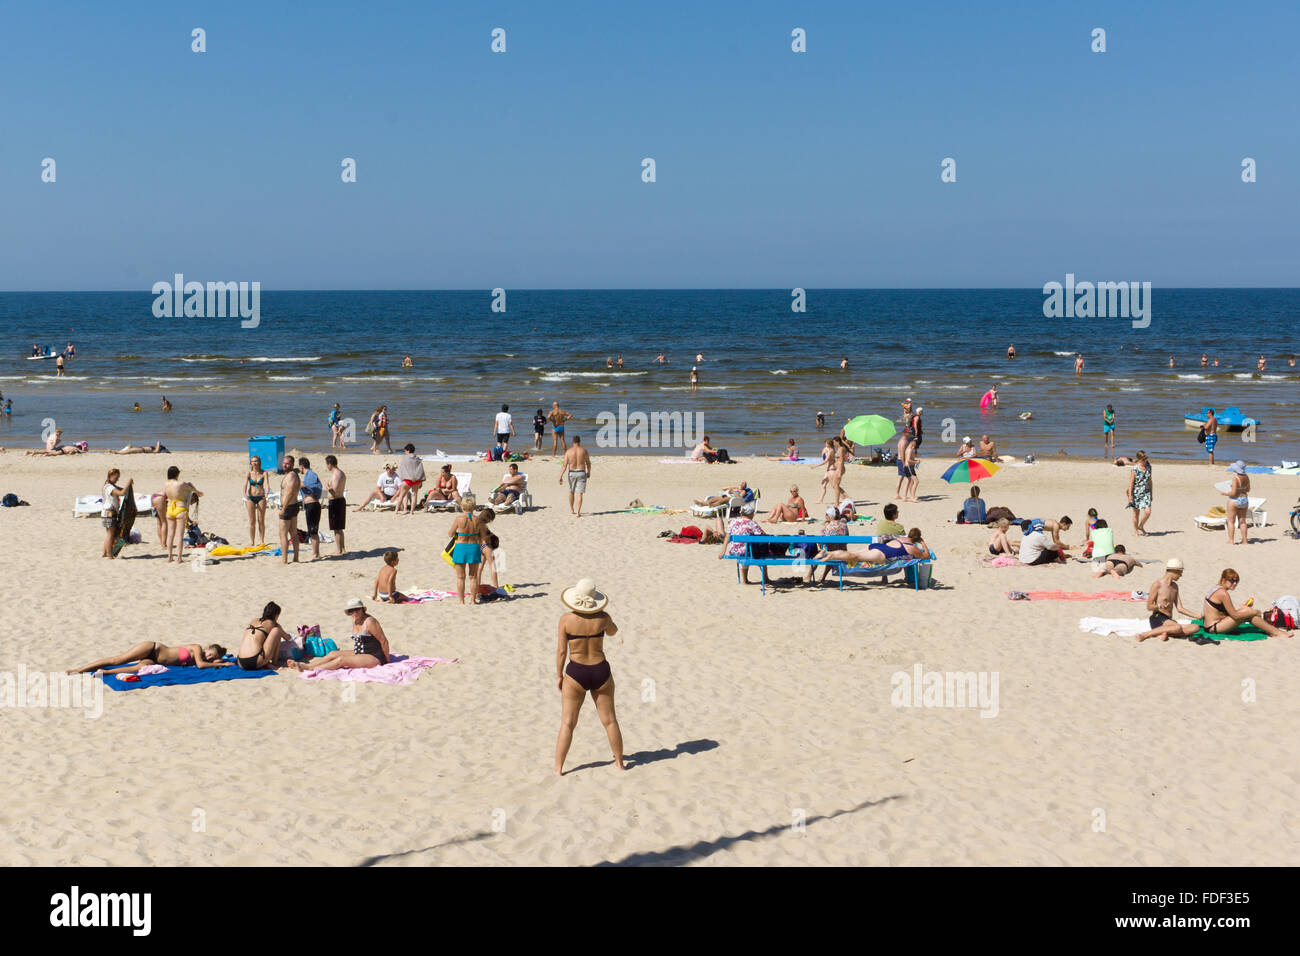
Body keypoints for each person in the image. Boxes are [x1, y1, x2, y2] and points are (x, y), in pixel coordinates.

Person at [554, 579, 624, 774]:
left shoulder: (566, 620)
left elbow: (561, 651)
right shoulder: (603, 618)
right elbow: (614, 632)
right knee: (610, 720)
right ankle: (619, 762)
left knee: (568, 722)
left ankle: (559, 768)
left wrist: (559, 675)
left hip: (576, 672)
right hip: (600, 670)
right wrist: (605, 619)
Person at [289, 599, 390, 671]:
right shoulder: (355, 620)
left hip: (374, 656)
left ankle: (309, 668)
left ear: (363, 609)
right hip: (360, 652)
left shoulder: (370, 622)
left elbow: (383, 641)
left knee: (341, 660)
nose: (354, 613)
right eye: (351, 611)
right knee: (333, 653)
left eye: (357, 609)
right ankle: (307, 665)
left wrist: (387, 661)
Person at [1200, 568, 1286, 639]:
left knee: (1245, 609)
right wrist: (1255, 612)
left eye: (1237, 581)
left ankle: (1273, 631)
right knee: (1249, 614)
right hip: (1214, 627)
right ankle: (1275, 632)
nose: (1234, 583)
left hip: (1211, 624)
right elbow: (1235, 616)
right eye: (1232, 580)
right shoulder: (1223, 593)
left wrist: (1244, 608)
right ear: (1223, 579)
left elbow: (1224, 612)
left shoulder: (1216, 588)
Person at [68, 641, 229, 675]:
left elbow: (211, 662)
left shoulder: (203, 659)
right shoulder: (197, 648)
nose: (208, 656)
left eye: (210, 656)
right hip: (153, 648)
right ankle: (79, 669)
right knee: (117, 659)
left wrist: (218, 661)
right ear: (207, 648)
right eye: (210, 653)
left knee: (139, 669)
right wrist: (225, 665)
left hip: (155, 660)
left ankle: (104, 672)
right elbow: (201, 665)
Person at [1135, 559, 1199, 642]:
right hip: (1157, 618)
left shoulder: (1175, 586)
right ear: (1175, 571)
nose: (1181, 575)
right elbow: (1149, 606)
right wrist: (1158, 606)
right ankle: (1144, 635)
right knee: (1177, 627)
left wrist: (1197, 615)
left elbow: (1180, 608)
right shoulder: (1157, 585)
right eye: (1180, 572)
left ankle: (1164, 633)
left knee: (1195, 627)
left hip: (1168, 620)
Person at [815, 528, 929, 566]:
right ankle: (830, 555)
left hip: (878, 546)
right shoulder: (912, 547)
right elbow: (925, 556)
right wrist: (923, 543)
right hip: (882, 554)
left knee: (853, 553)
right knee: (854, 556)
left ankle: (826, 553)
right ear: (916, 539)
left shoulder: (901, 538)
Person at [448, 496, 484, 604]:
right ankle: (473, 600)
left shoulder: (459, 519)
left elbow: (450, 533)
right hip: (473, 547)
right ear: (473, 506)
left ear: (463, 506)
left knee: (460, 577)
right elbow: (482, 536)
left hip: (461, 547)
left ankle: (461, 601)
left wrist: (458, 533)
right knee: (473, 576)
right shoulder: (478, 519)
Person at [234, 602, 291, 670]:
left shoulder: (254, 620)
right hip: (254, 660)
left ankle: (267, 663)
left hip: (240, 662)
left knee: (260, 640)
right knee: (277, 631)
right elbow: (287, 638)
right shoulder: (273, 624)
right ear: (276, 615)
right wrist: (289, 635)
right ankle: (274, 663)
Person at [718, 512, 770, 586]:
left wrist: (723, 551)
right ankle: (766, 578)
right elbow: (762, 536)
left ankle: (745, 580)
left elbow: (727, 537)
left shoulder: (732, 521)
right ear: (750, 514)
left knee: (745, 555)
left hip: (734, 551)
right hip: (748, 551)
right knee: (755, 553)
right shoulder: (752, 522)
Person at [163, 467, 199, 564]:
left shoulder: (166, 484)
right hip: (180, 508)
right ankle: (179, 558)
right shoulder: (181, 483)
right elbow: (192, 489)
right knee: (179, 535)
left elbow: (164, 495)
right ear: (177, 474)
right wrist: (199, 493)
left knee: (170, 535)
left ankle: (170, 557)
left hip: (170, 509)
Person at [1221, 460, 1252, 545]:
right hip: (1244, 499)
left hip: (1235, 500)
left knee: (1231, 521)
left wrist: (1225, 493)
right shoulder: (1246, 477)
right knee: (1243, 521)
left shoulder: (1236, 478)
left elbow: (1233, 493)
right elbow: (1248, 489)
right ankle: (1245, 540)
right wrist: (1241, 489)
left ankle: (1231, 540)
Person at [560, 435, 591, 517]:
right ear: (579, 442)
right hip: (581, 472)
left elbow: (564, 465)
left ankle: (572, 509)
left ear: (573, 442)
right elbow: (588, 463)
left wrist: (560, 476)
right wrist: (589, 472)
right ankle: (578, 512)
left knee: (571, 492)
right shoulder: (584, 450)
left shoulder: (568, 452)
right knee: (579, 493)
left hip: (572, 473)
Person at [299, 457, 324, 559]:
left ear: (301, 466)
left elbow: (312, 487)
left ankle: (316, 553)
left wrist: (299, 483)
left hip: (313, 504)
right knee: (312, 530)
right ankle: (315, 553)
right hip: (310, 504)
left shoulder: (311, 474)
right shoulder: (308, 475)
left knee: (313, 531)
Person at [278, 455, 301, 564]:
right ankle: (295, 558)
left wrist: (283, 508)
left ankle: (284, 560)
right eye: (283, 463)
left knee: (283, 534)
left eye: (287, 463)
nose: (284, 465)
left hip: (288, 507)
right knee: (293, 533)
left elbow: (290, 492)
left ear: (292, 464)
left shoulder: (291, 476)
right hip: (293, 506)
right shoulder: (291, 475)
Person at [244, 455, 269, 547]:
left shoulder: (264, 473)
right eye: (253, 461)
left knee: (261, 520)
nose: (254, 463)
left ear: (259, 462)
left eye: (256, 461)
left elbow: (266, 484)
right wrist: (244, 494)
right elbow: (244, 485)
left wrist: (266, 493)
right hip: (250, 498)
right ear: (250, 463)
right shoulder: (249, 473)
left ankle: (262, 540)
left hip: (261, 497)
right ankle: (252, 541)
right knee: (252, 521)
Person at [1126, 450, 1152, 535]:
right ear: (1139, 459)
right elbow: (1131, 483)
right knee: (1136, 514)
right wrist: (1130, 496)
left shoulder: (1148, 466)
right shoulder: (1135, 469)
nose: (1145, 460)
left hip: (1146, 492)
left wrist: (1151, 493)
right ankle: (1135, 530)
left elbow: (1150, 480)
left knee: (1148, 512)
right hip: (1136, 493)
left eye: (1146, 458)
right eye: (1144, 459)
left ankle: (1141, 526)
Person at [100, 468, 126, 559]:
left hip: (105, 513)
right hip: (110, 513)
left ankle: (104, 553)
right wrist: (129, 483)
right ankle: (109, 555)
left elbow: (121, 489)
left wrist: (127, 488)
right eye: (116, 477)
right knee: (111, 535)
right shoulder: (110, 487)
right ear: (110, 476)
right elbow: (121, 493)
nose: (117, 479)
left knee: (108, 534)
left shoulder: (107, 485)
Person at [324, 455, 346, 555]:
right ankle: (343, 548)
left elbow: (335, 492)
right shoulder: (340, 473)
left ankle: (339, 550)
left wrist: (327, 487)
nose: (327, 467)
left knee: (336, 528)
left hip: (336, 502)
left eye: (327, 464)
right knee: (339, 528)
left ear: (329, 464)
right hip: (339, 501)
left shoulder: (336, 474)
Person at [394, 443, 424, 515]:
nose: (405, 452)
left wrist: (404, 477)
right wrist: (418, 478)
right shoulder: (417, 459)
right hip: (416, 480)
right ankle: (411, 512)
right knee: (414, 495)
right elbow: (420, 470)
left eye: (405, 451)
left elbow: (401, 469)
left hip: (407, 479)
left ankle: (396, 511)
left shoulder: (405, 458)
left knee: (402, 495)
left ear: (408, 450)